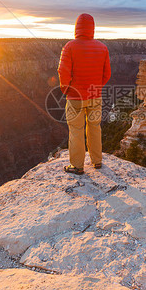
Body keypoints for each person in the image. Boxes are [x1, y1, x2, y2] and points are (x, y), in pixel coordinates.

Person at [57, 13, 111, 175]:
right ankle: (97, 161)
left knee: (76, 130)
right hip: (95, 96)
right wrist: (96, 87)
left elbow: (62, 72)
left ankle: (77, 166)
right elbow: (107, 73)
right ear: (92, 28)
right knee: (95, 127)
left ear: (77, 27)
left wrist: (66, 90)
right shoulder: (102, 48)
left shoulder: (70, 47)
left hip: (75, 97)